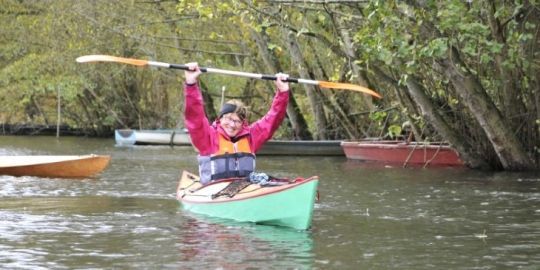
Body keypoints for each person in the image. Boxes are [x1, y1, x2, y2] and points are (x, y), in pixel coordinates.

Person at [183, 63, 290, 185]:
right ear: (220, 118)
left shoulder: (251, 137)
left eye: (237, 121)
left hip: (244, 191)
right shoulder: (208, 137)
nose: (232, 125)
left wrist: (283, 91)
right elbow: (194, 117)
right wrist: (191, 84)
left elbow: (273, 119)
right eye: (228, 118)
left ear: (242, 123)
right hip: (212, 193)